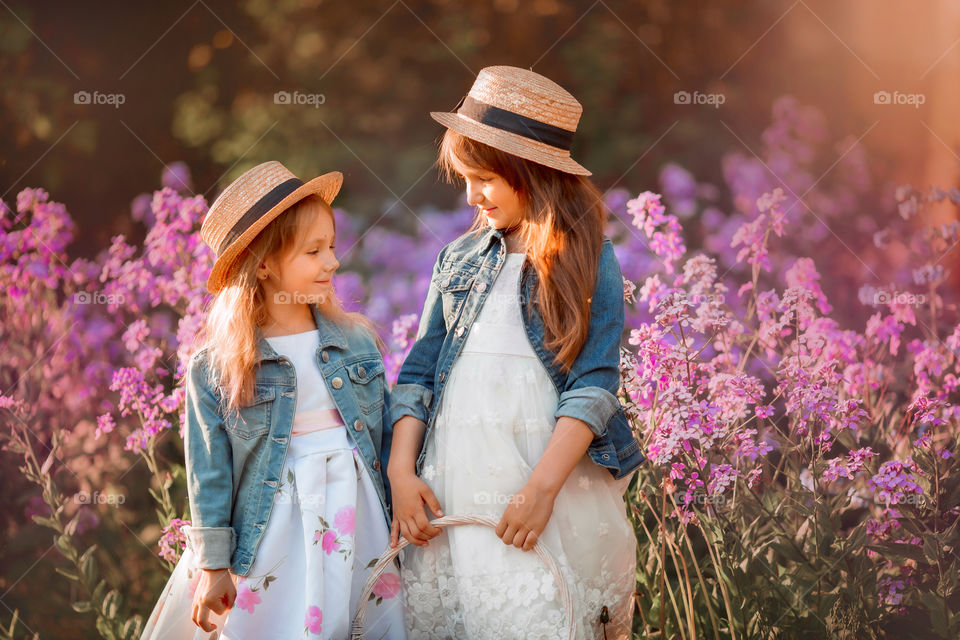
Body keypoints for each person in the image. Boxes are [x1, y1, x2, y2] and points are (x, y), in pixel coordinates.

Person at [388, 66, 644, 640]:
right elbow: (419, 373)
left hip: (542, 484)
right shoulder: (458, 258)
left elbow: (595, 383)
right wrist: (400, 470)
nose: (473, 197)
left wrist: (541, 491)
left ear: (533, 174)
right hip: (453, 483)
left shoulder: (588, 258)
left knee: (538, 614)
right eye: (467, 179)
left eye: (485, 179)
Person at [140, 161, 407, 639]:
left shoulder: (356, 341)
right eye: (313, 251)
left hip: (356, 515)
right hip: (273, 529)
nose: (333, 262)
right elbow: (209, 474)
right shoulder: (218, 367)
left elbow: (384, 438)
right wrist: (215, 565)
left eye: (331, 246)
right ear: (262, 264)